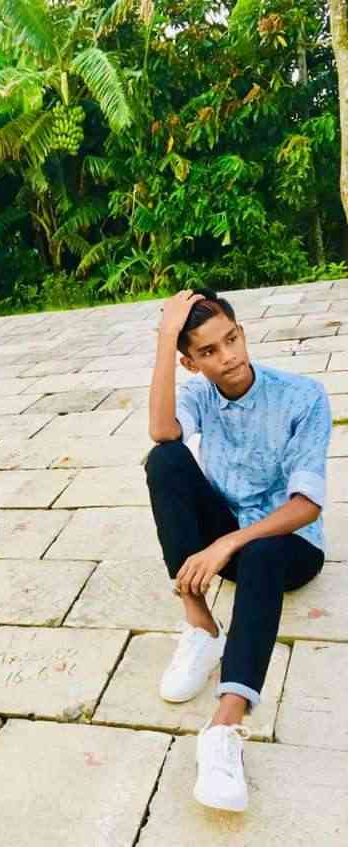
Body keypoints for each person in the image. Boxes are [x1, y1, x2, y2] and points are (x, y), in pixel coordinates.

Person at [144, 287, 331, 813]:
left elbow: (306, 505)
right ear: (191, 362)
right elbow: (162, 431)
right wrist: (165, 337)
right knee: (164, 460)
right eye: (208, 351)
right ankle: (201, 627)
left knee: (265, 552)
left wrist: (228, 542)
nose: (228, 356)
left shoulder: (302, 396)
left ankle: (224, 728)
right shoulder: (200, 394)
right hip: (227, 542)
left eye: (231, 339)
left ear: (242, 332)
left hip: (288, 547)